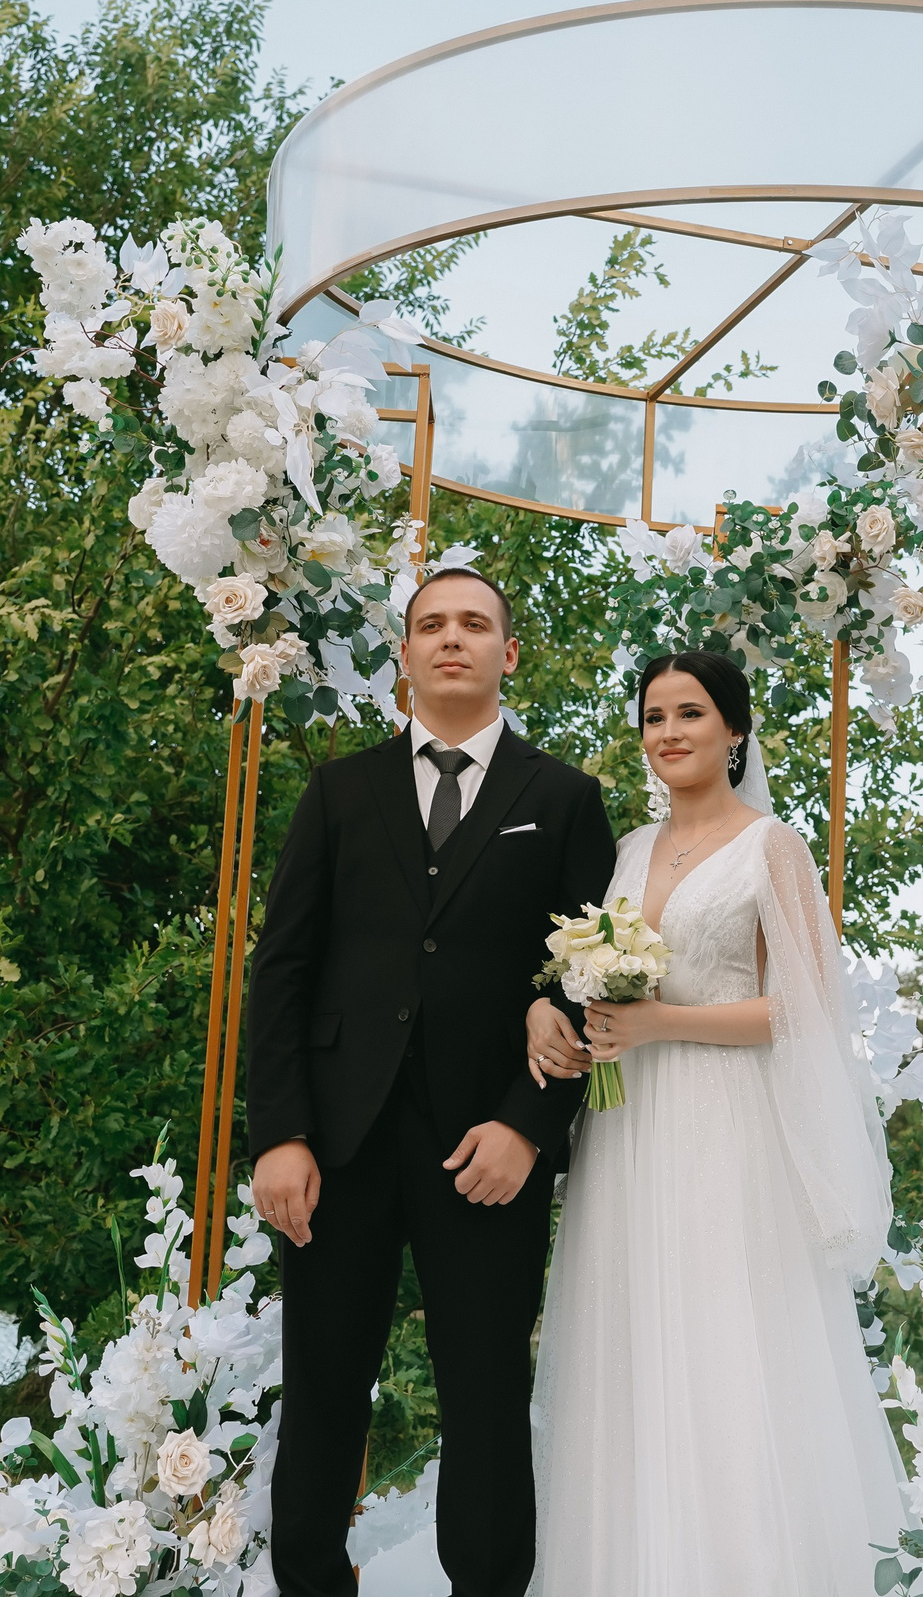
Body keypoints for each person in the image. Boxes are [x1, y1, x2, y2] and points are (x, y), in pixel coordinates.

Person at [243, 568, 617, 1597]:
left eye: (475, 624)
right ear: (404, 655)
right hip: (336, 1145)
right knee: (322, 1388)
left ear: (508, 654)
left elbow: (593, 975)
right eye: (430, 625)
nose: (452, 638)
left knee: (488, 1393)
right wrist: (279, 1132)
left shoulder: (564, 798)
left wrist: (528, 1126)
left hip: (485, 1149)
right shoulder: (339, 791)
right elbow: (280, 969)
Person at [524, 650, 905, 1595]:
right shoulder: (626, 853)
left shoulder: (772, 846)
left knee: (722, 1338)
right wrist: (569, 1014)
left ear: (734, 729)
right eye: (654, 716)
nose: (669, 732)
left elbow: (803, 1008)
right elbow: (591, 977)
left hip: (723, 1127)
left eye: (690, 713)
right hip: (625, 1130)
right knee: (630, 1338)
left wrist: (660, 1022)